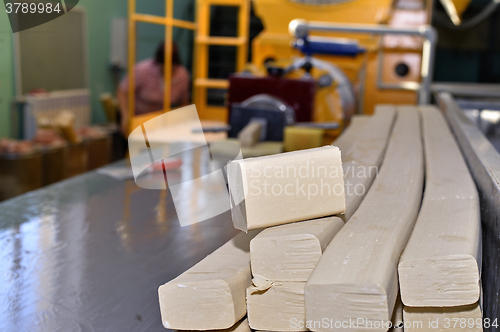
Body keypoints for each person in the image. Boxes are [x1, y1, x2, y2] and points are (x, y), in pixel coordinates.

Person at [118, 42, 190, 134]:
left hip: (163, 124)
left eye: (172, 68)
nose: (167, 71)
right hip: (138, 120)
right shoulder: (142, 70)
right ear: (157, 62)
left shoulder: (182, 76)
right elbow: (122, 91)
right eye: (163, 66)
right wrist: (126, 116)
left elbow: (184, 102)